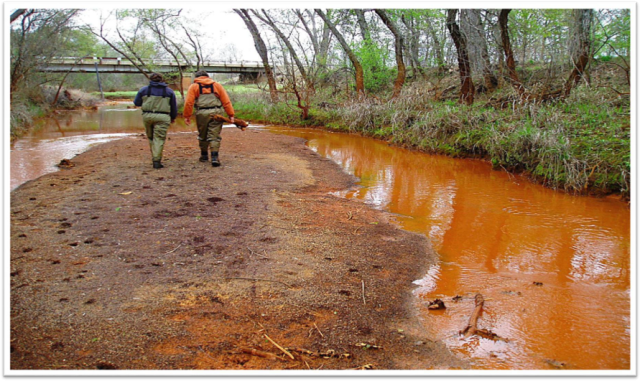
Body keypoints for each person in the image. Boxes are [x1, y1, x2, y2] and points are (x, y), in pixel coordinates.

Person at [183, 70, 235, 167]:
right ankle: (214, 158)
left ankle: (204, 155)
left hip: (202, 113)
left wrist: (187, 116)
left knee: (203, 134)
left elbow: (189, 103)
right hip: (216, 112)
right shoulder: (217, 85)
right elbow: (226, 101)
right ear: (208, 77)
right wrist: (231, 115)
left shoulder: (194, 86)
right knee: (214, 135)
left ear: (197, 77)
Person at [133, 73, 178, 169]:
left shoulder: (143, 90)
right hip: (163, 117)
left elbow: (137, 102)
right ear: (161, 80)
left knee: (151, 137)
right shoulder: (169, 91)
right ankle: (156, 160)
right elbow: (173, 107)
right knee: (159, 138)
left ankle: (155, 157)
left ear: (150, 80)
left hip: (147, 116)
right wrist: (173, 117)